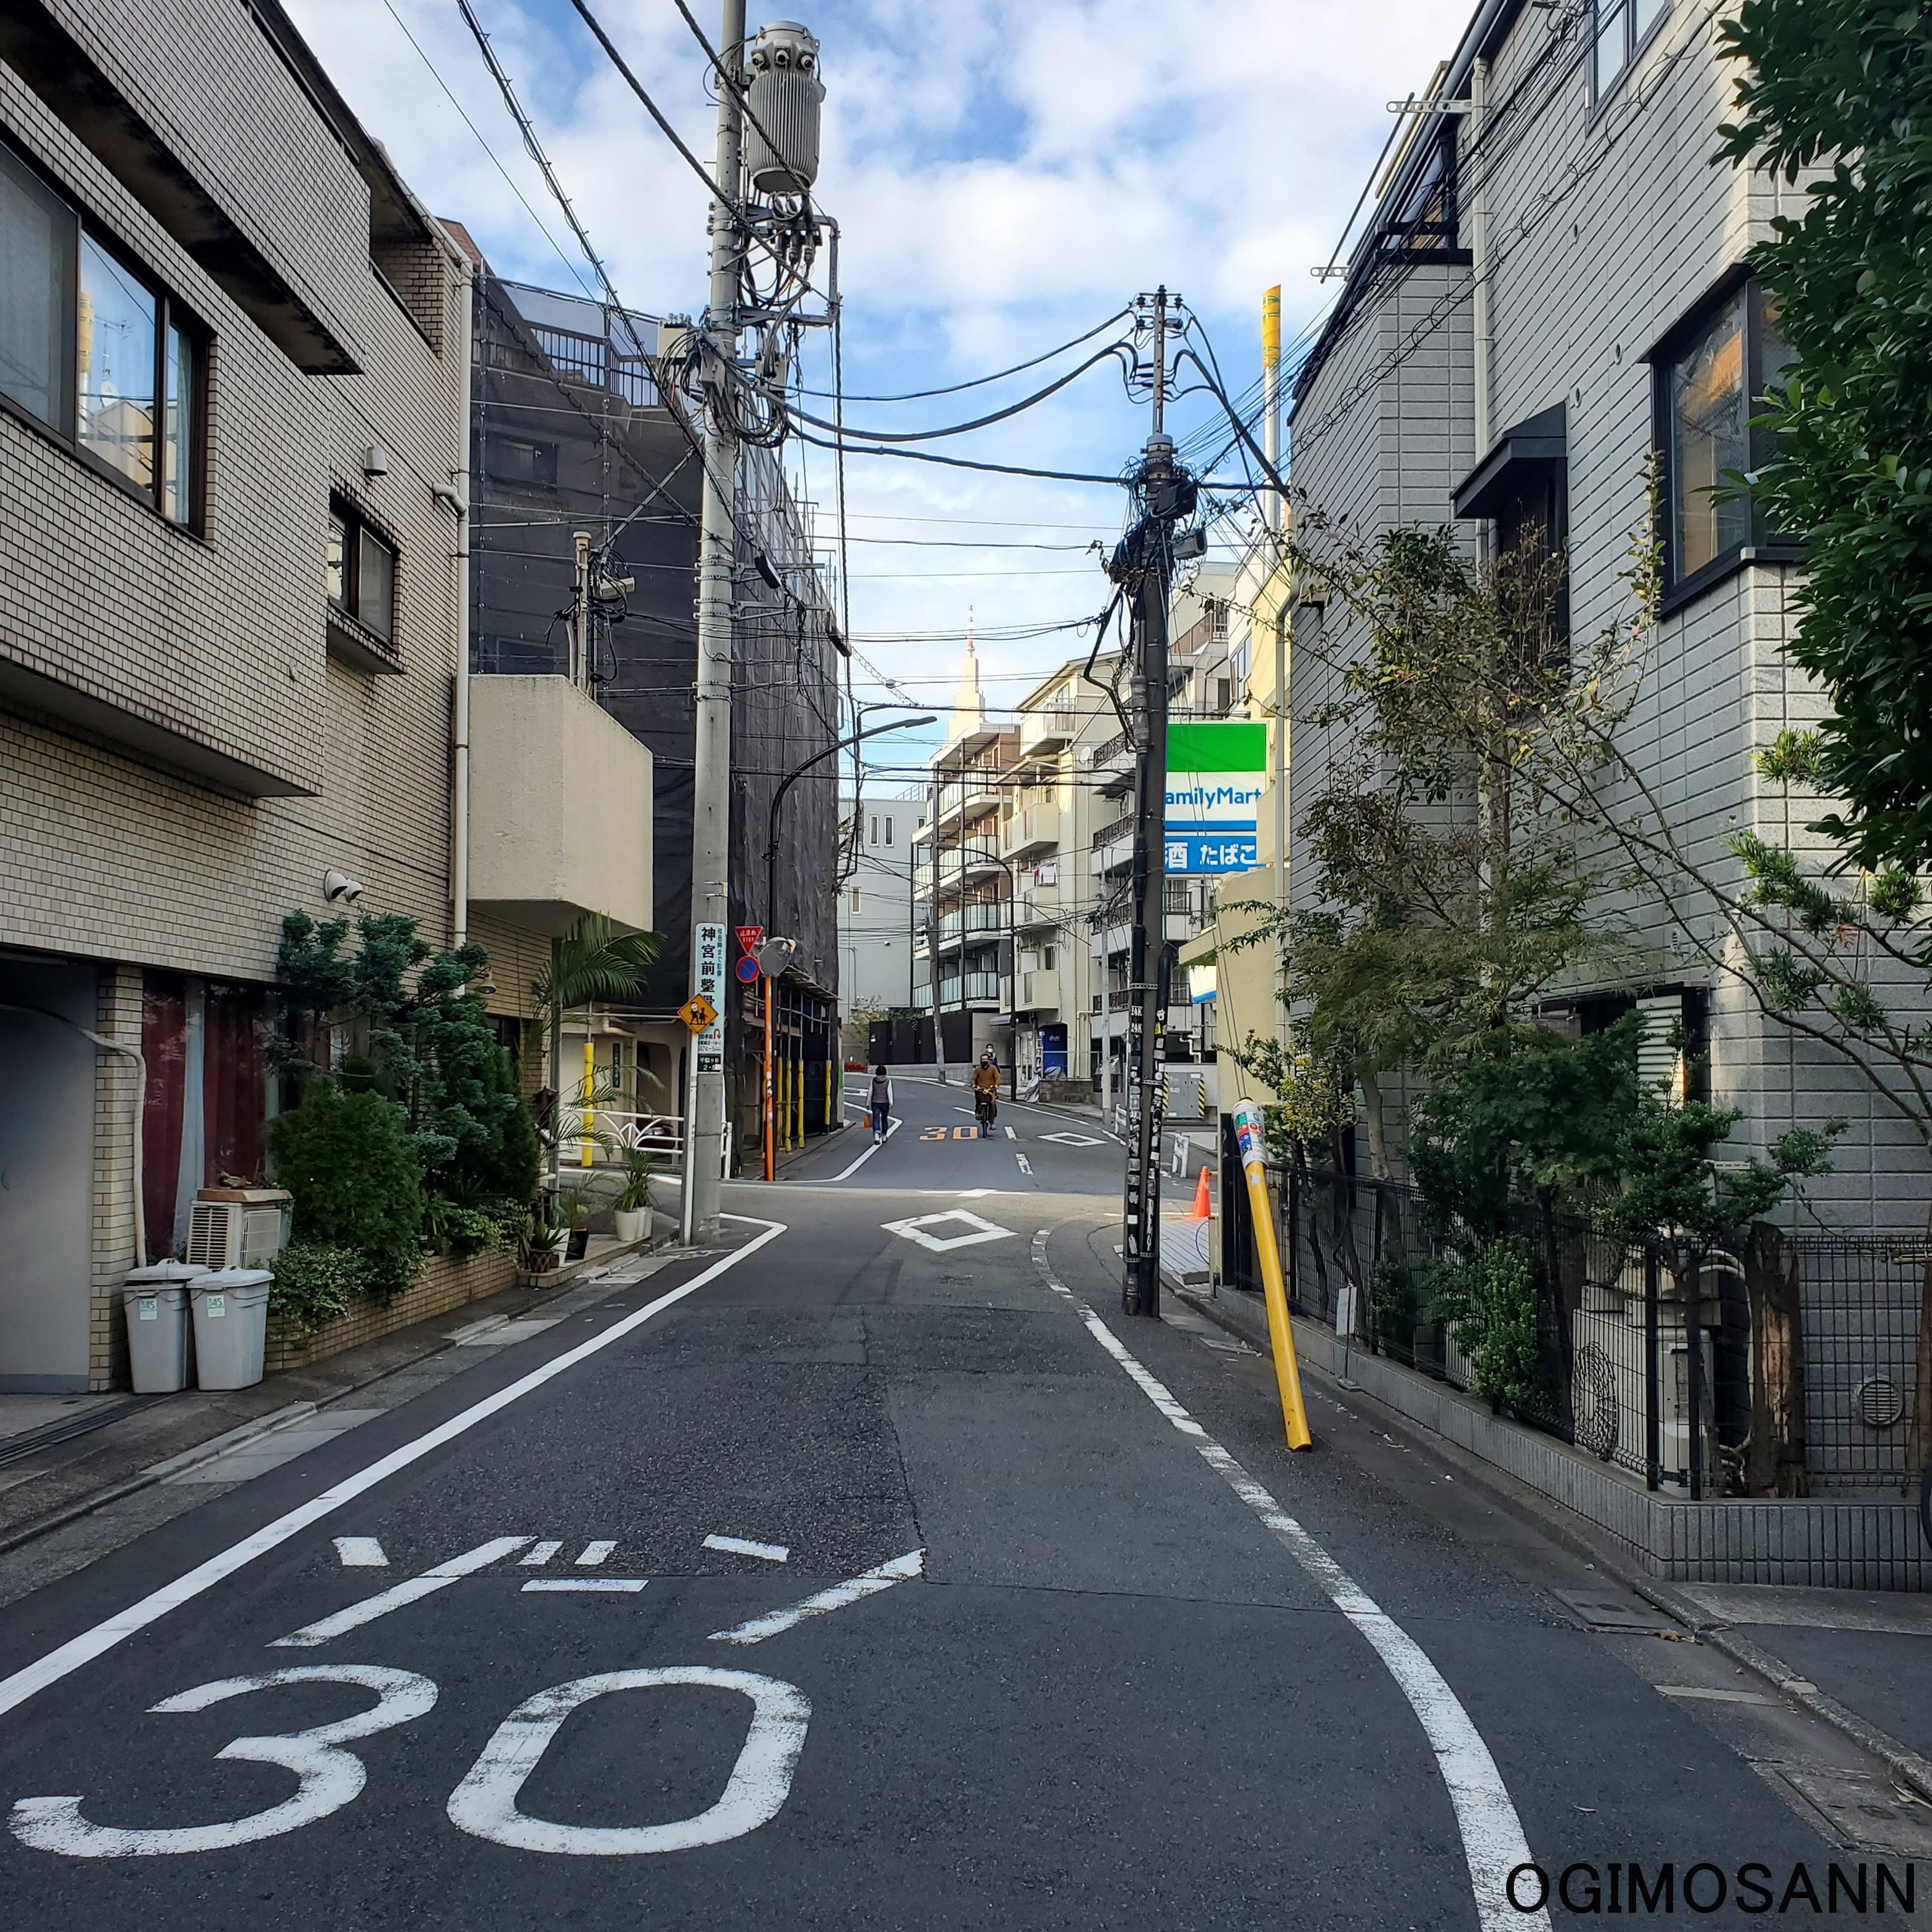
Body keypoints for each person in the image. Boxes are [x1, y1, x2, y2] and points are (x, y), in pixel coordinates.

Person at [971, 1051, 1001, 1134]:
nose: (984, 1061)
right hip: (981, 1089)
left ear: (988, 1060)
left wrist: (996, 1085)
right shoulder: (978, 1070)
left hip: (990, 1090)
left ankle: (992, 1122)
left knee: (992, 1103)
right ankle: (978, 1113)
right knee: (978, 1100)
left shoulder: (993, 1068)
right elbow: (973, 1079)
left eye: (985, 1059)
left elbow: (997, 1078)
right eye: (982, 1059)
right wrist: (974, 1086)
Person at [869, 1065, 892, 1145]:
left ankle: (876, 1136)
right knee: (884, 1119)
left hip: (875, 1102)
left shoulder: (873, 1080)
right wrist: (891, 1102)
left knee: (876, 1118)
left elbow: (870, 1092)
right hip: (885, 1102)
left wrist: (867, 1103)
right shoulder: (888, 1081)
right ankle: (884, 1136)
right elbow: (889, 1092)